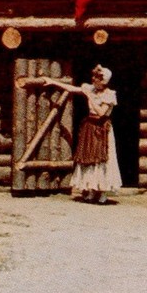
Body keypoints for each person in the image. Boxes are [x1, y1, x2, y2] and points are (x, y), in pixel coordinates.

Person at [40, 65, 122, 204]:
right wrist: (53, 82)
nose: (94, 79)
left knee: (102, 158)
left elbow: (101, 112)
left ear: (104, 81)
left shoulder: (109, 94)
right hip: (89, 126)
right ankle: (90, 189)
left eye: (97, 78)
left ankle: (102, 192)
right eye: (94, 77)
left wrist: (89, 96)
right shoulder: (90, 89)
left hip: (102, 128)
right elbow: (72, 89)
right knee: (88, 156)